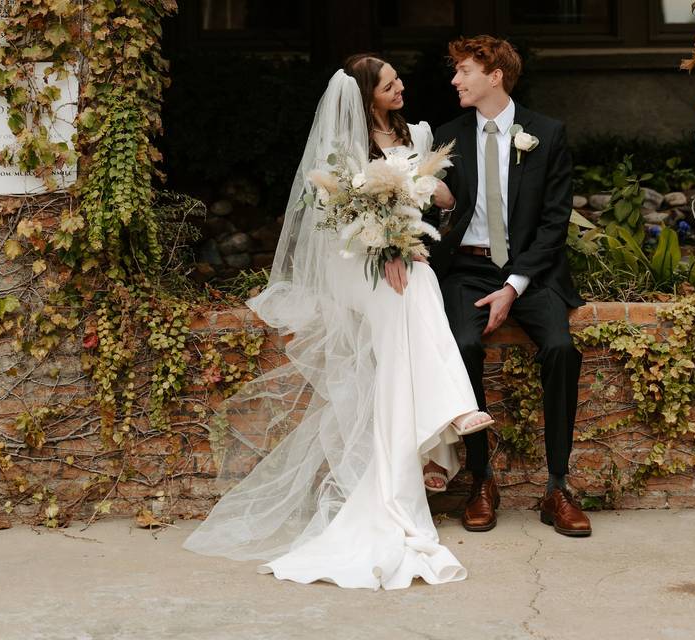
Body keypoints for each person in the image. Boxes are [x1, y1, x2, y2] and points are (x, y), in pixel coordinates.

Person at [182, 54, 493, 590]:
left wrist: (434, 204)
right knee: (414, 286)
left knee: (414, 296)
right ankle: (452, 414)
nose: (402, 88)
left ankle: (437, 433)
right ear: (367, 94)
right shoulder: (343, 148)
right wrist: (389, 246)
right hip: (357, 261)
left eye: (399, 82)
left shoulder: (417, 133)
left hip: (405, 255)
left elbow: (438, 202)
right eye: (391, 84)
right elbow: (340, 219)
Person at [426, 36, 591, 537]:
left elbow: (554, 222)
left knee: (561, 348)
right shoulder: (447, 135)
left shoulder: (546, 132)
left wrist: (515, 286)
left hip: (530, 272)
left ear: (494, 75)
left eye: (464, 71)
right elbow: (435, 212)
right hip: (469, 269)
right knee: (464, 345)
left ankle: (558, 486)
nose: (455, 80)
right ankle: (482, 482)